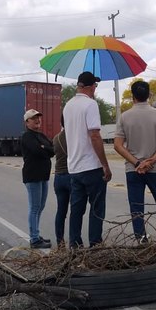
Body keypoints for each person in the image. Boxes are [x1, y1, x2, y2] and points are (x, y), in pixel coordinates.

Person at [114, 81, 156, 242]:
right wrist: (152, 161)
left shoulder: (124, 117)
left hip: (133, 170)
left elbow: (118, 145)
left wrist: (137, 163)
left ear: (133, 96)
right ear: (149, 95)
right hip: (155, 169)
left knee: (136, 206)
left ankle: (141, 238)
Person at [63, 71, 111, 248]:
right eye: (95, 86)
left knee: (76, 210)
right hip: (91, 166)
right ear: (91, 87)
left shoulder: (68, 106)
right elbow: (95, 135)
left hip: (74, 167)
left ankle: (75, 245)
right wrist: (105, 165)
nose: (95, 89)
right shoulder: (90, 105)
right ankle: (95, 245)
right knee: (97, 209)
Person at [21, 109, 54, 249]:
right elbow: (37, 151)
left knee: (40, 206)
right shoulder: (27, 136)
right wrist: (44, 148)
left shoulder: (41, 135)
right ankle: (34, 239)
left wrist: (44, 147)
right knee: (34, 207)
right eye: (34, 118)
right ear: (27, 121)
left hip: (43, 176)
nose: (37, 120)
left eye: (38, 117)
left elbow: (52, 150)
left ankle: (36, 233)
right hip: (33, 176)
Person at [53, 123, 70, 248]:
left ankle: (60, 241)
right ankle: (75, 241)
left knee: (61, 211)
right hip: (71, 176)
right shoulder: (73, 136)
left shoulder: (56, 138)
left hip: (58, 177)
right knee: (76, 211)